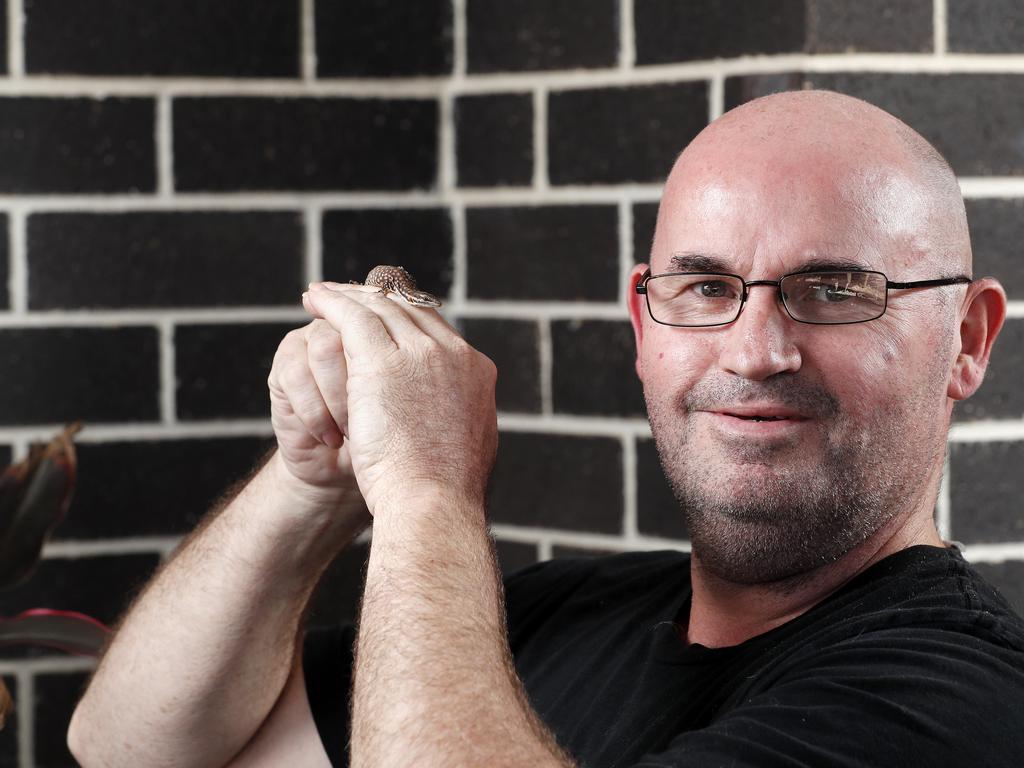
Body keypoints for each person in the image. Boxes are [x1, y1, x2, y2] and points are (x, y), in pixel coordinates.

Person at [67, 89, 1024, 767]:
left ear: (968, 340)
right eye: (704, 288)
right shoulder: (550, 618)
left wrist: (428, 490)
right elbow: (128, 746)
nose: (755, 349)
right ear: (644, 328)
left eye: (833, 291)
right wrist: (316, 479)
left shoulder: (957, 700)